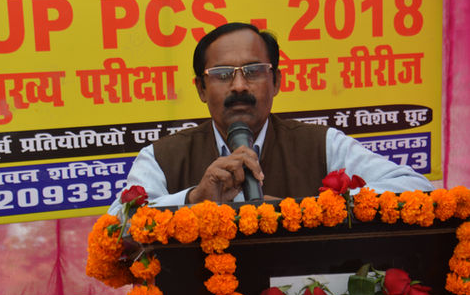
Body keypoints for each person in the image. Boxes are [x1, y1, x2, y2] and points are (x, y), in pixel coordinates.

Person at [108, 22, 433, 214]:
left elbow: (417, 190)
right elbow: (115, 226)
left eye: (253, 71)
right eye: (222, 74)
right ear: (201, 89)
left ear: (276, 81)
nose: (239, 85)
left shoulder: (322, 145)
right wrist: (193, 199)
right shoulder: (163, 157)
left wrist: (306, 209)